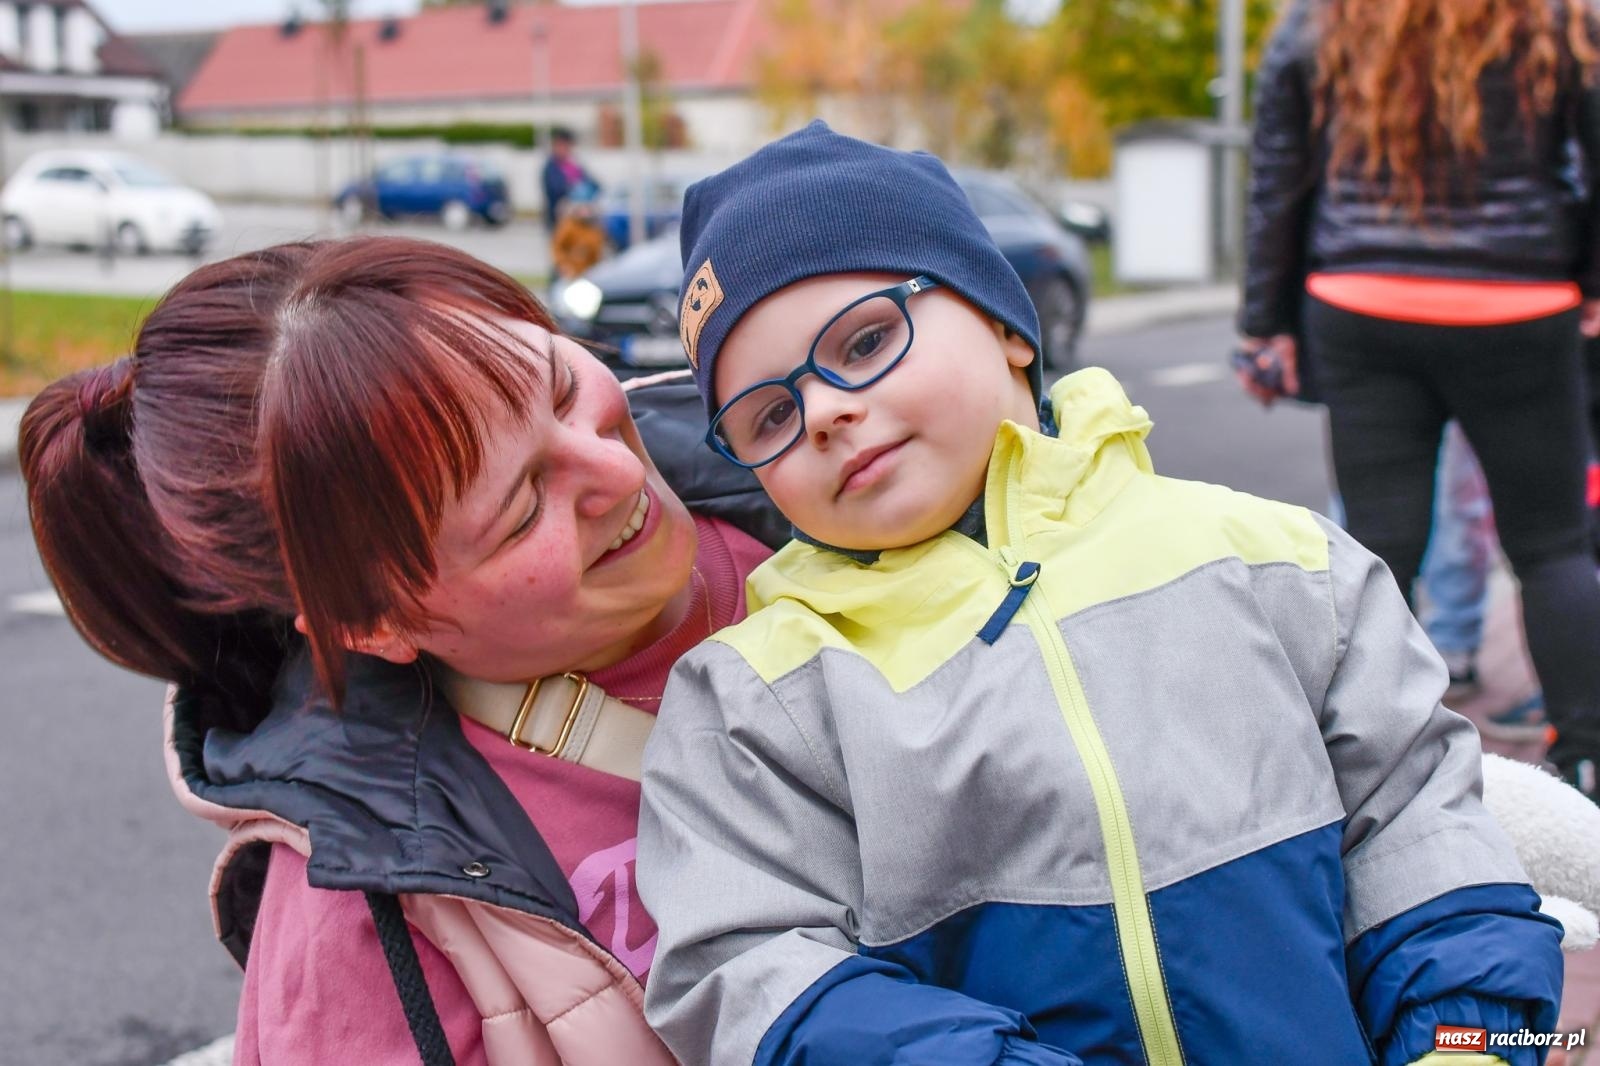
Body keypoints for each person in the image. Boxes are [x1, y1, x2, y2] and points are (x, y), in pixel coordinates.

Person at [636, 122, 1564, 1066]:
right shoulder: (758, 698)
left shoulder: (1275, 563)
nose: (827, 411)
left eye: (867, 339)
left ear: (1005, 326)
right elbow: (749, 969)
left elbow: (1419, 832)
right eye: (771, 416)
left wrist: (1473, 1037)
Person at [18, 237, 785, 1065]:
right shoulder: (366, 937)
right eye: (522, 511)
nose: (613, 469)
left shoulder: (838, 454)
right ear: (371, 623)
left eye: (563, 390)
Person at [1240, 0, 1600, 797]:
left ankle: (1372, 770)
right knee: (1551, 550)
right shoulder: (1556, 20)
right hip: (1520, 304)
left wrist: (1264, 323)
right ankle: (1587, 761)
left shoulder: (1322, 21)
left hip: (1363, 304)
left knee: (1376, 547)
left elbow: (1278, 179)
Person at [542, 126, 597, 232]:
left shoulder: (574, 165)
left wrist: (587, 189)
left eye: (567, 146)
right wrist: (574, 187)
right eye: (561, 145)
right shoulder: (551, 168)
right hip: (561, 217)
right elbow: (555, 189)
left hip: (579, 212)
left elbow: (593, 183)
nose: (565, 149)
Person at [551, 181, 608, 281]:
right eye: (581, 207)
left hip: (588, 274)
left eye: (587, 207)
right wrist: (563, 265)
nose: (584, 211)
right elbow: (557, 247)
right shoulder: (569, 226)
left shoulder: (595, 229)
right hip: (568, 273)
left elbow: (597, 253)